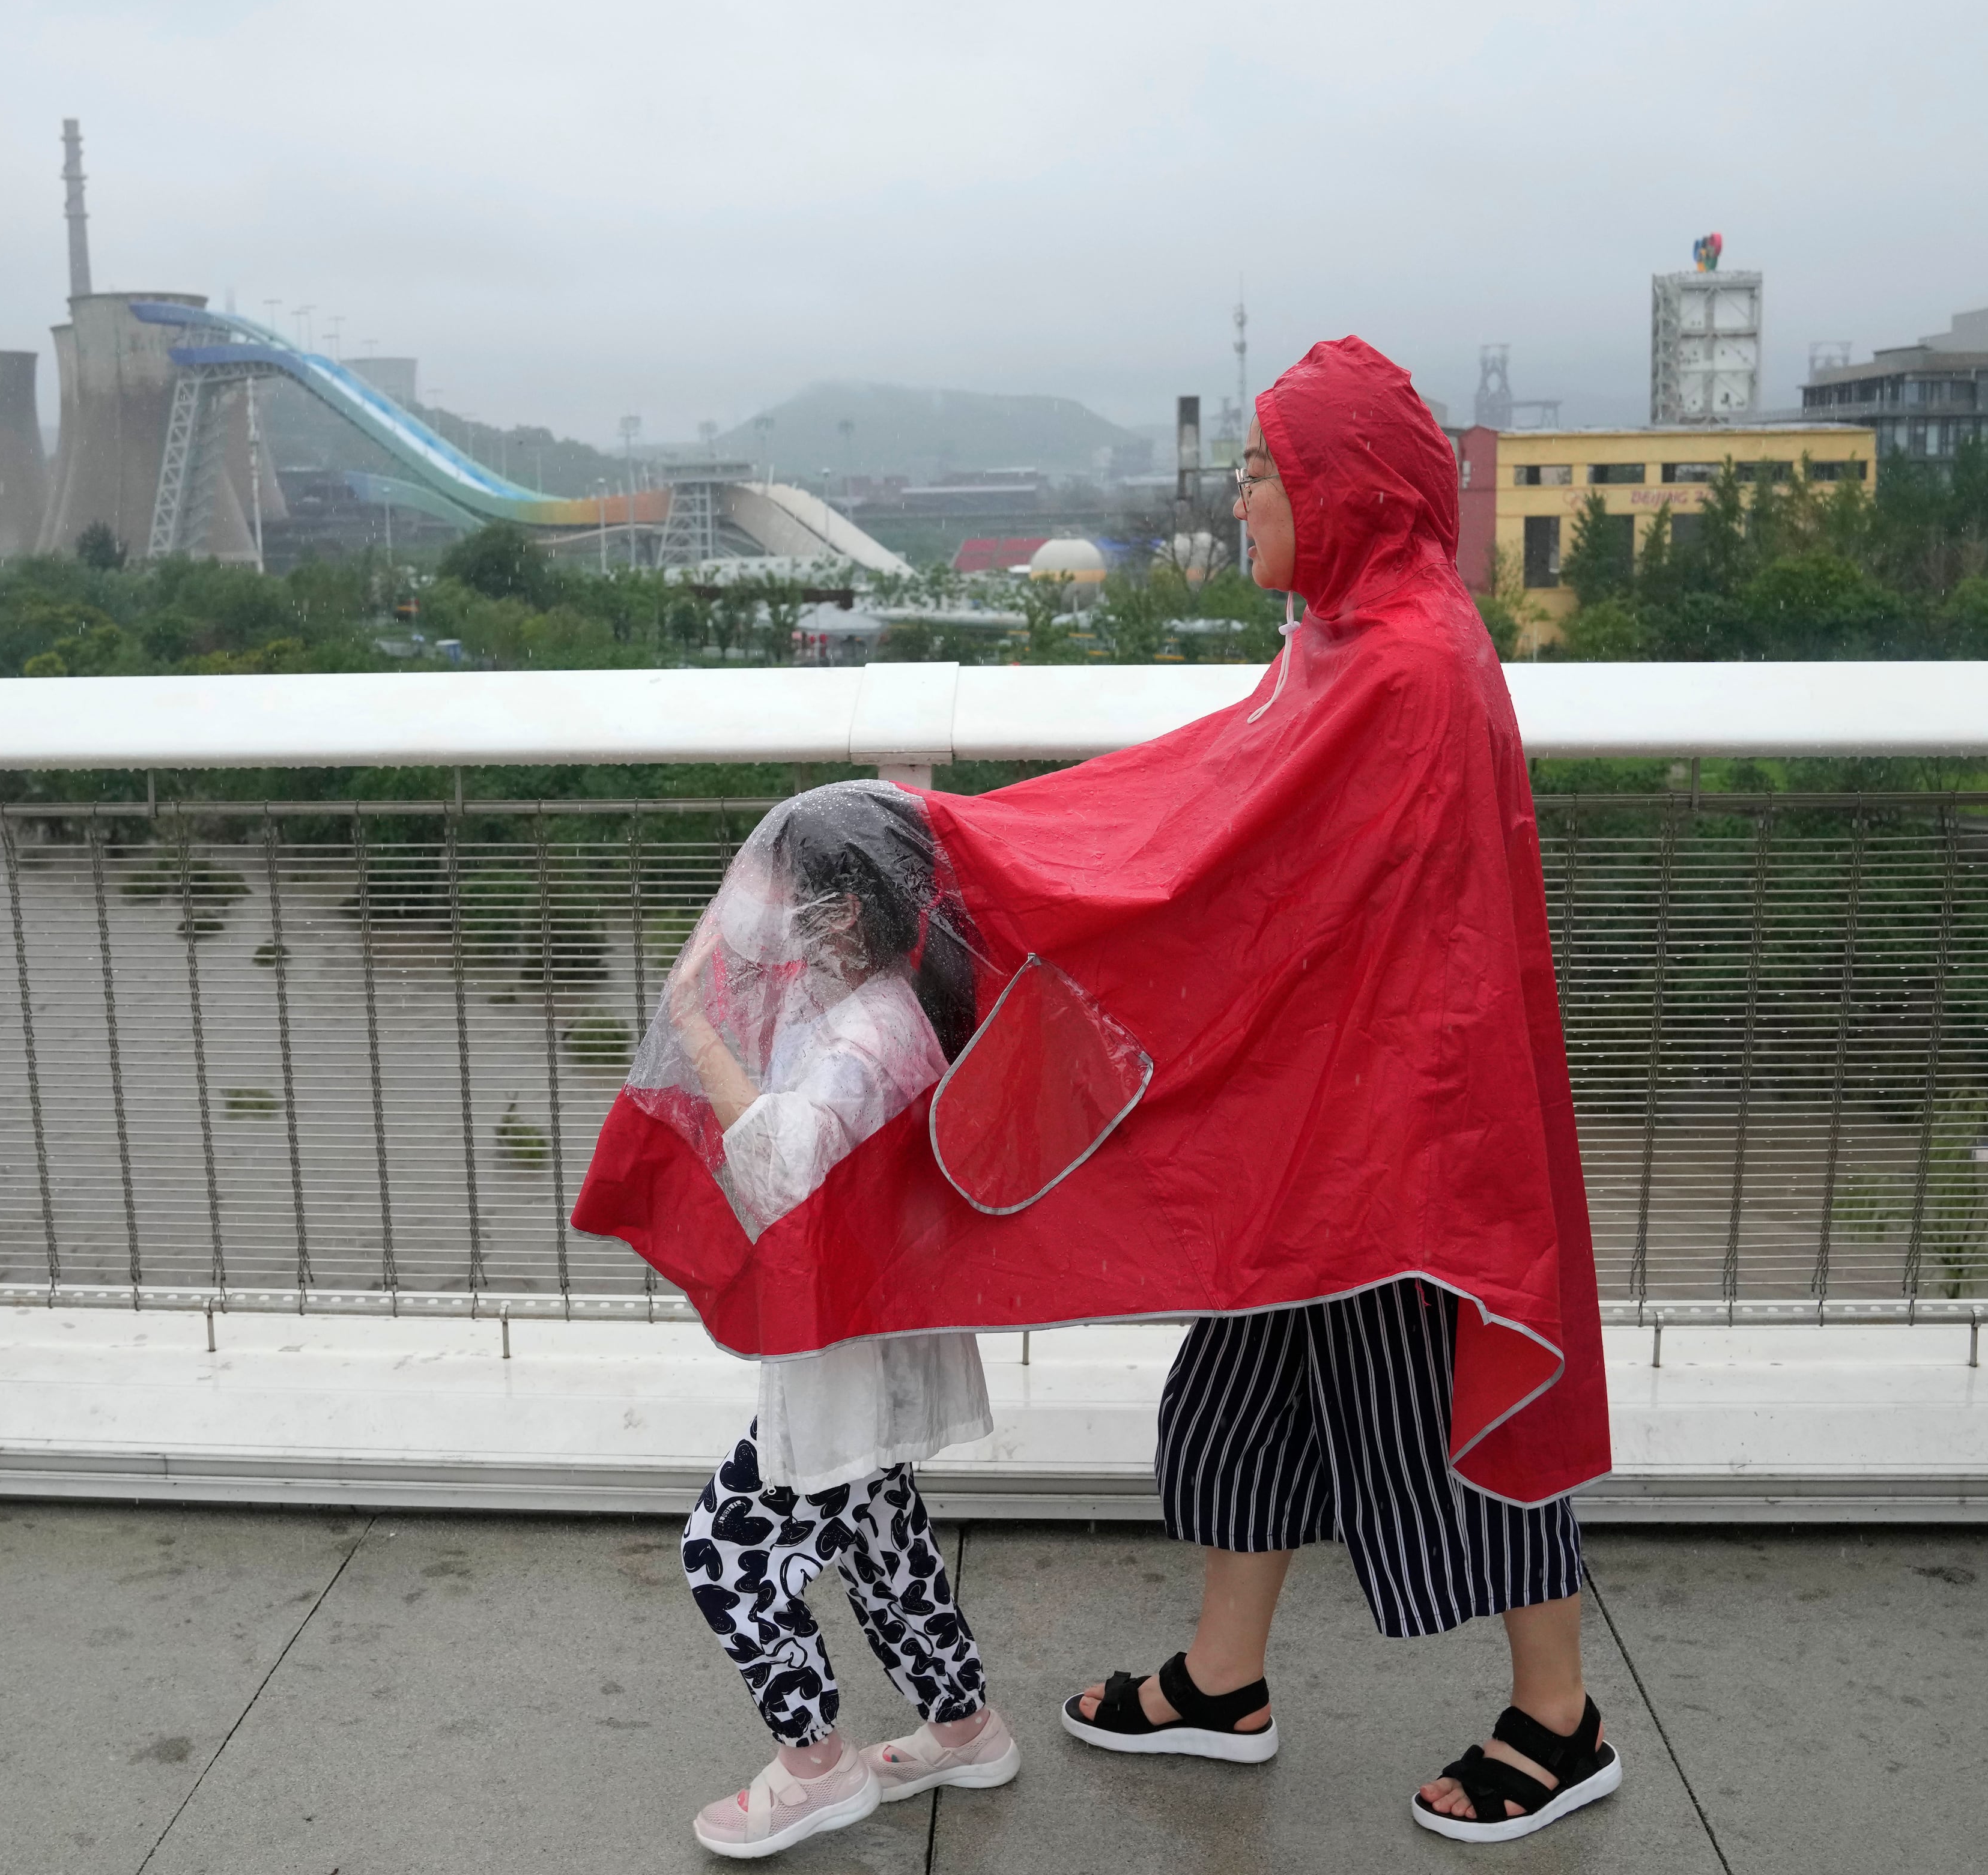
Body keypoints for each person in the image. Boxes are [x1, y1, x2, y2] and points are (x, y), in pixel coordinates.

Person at [1058, 381, 1617, 1846]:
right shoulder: (1356, 637)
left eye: (1261, 472)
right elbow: (1241, 828)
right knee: (1244, 1395)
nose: (1238, 497)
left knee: (1449, 1414)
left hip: (1400, 1139)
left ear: (1347, 488)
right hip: (1326, 1118)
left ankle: (1560, 1723)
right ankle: (1221, 1679)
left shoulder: (1406, 663)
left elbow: (1226, 851)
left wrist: (1039, 876)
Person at [658, 783, 1023, 1861]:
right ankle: (964, 1724)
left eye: (785, 896)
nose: (763, 914)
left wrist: (691, 1025)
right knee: (878, 1536)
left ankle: (815, 1765)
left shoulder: (869, 1037)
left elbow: (782, 1169)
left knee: (723, 1548)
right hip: (882, 1342)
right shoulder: (886, 1006)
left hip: (850, 1354)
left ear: (843, 915)